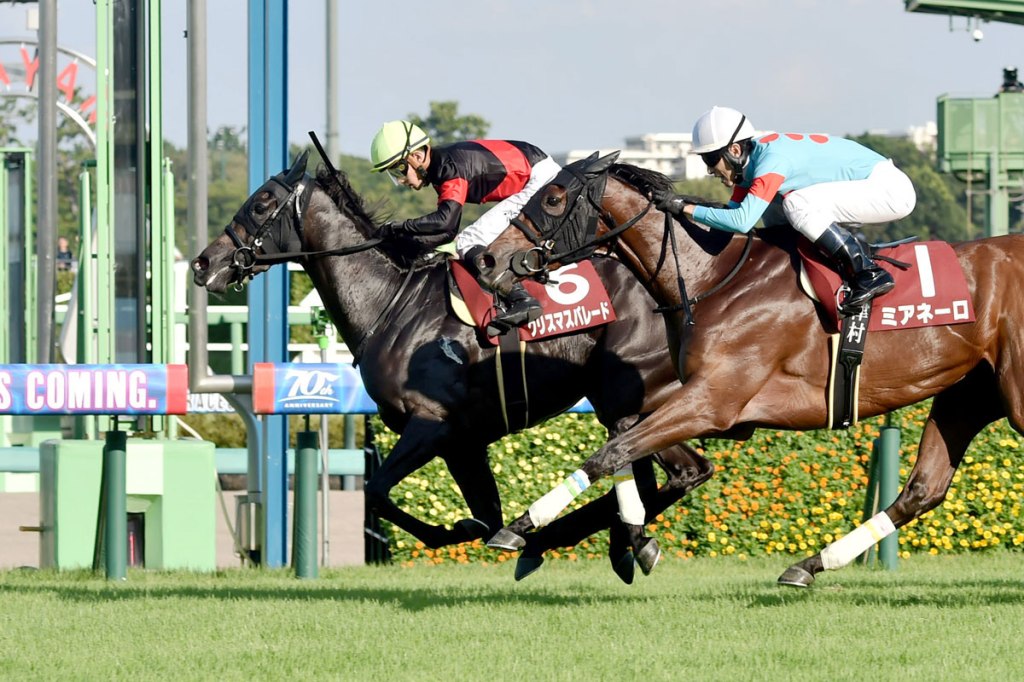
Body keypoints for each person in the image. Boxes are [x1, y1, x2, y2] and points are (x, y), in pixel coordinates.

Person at [653, 106, 917, 315]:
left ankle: (868, 273)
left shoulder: (771, 161)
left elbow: (742, 221)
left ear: (734, 150)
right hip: (868, 185)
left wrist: (684, 207)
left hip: (888, 190)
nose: (710, 170)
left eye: (711, 159)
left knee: (794, 203)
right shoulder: (749, 166)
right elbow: (731, 219)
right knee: (776, 214)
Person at [369, 120, 561, 335]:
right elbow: (447, 232)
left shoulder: (447, 167)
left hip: (538, 179)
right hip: (536, 171)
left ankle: (521, 299)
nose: (400, 181)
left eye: (398, 171)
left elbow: (445, 222)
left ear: (417, 156)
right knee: (468, 241)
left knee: (469, 240)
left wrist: (396, 228)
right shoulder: (440, 169)